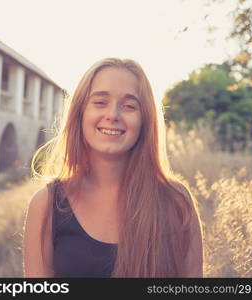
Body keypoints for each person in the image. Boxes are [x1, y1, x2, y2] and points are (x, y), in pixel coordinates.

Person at [22, 57, 203, 278]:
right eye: (100, 102)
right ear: (79, 113)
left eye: (129, 106)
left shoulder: (177, 201)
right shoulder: (46, 204)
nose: (113, 115)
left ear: (145, 120)